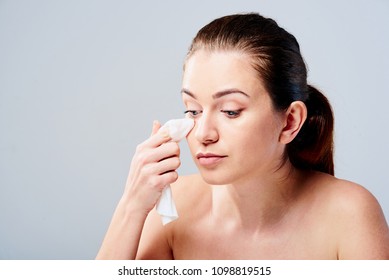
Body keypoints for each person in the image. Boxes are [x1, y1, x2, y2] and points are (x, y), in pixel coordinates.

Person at [96, 13, 389, 259]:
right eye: (193, 110)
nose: (203, 134)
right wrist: (131, 207)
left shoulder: (349, 215)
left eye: (231, 111)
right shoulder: (172, 211)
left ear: (289, 122)